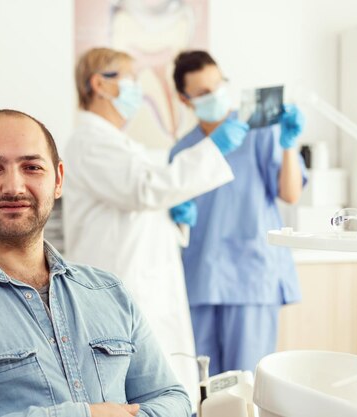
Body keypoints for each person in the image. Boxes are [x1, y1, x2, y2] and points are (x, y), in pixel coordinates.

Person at [0, 109, 192, 417]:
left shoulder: (109, 291)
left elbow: (171, 398)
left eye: (31, 167)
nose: (14, 187)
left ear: (58, 180)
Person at [62, 47, 247, 401]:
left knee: (162, 389)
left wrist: (175, 217)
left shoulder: (119, 144)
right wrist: (213, 147)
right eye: (130, 80)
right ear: (100, 84)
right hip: (121, 288)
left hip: (143, 283)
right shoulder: (90, 142)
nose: (138, 90)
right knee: (137, 395)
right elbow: (143, 190)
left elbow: (143, 199)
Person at [170, 50, 307, 376]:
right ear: (184, 99)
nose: (215, 95)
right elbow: (172, 219)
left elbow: (289, 193)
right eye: (203, 92)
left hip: (251, 276)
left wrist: (289, 144)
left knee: (246, 389)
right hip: (200, 278)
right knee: (202, 388)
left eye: (218, 85)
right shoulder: (182, 150)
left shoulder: (257, 131)